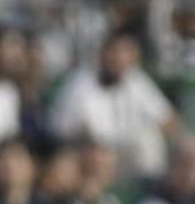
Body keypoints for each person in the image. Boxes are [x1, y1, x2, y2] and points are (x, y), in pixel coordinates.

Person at [49, 30, 179, 180]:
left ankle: (150, 186)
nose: (119, 59)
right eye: (114, 53)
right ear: (102, 54)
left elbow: (167, 118)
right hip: (87, 152)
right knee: (101, 156)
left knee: (149, 141)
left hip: (123, 153)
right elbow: (63, 132)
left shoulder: (135, 79)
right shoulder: (80, 84)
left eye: (126, 54)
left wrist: (170, 137)